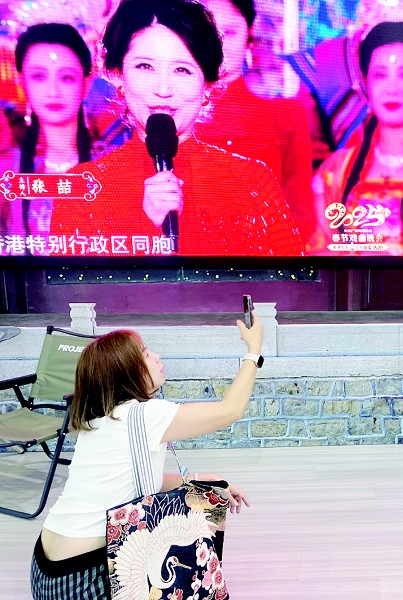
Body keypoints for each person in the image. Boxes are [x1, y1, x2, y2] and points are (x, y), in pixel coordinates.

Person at [30, 313, 263, 598]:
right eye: (146, 353)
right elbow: (230, 410)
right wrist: (253, 350)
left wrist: (207, 479)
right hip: (88, 578)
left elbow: (143, 480)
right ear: (127, 372)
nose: (157, 356)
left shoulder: (101, 419)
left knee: (208, 494)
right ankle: (202, 588)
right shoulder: (143, 415)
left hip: (46, 573)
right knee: (204, 508)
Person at [49, 0, 304, 257]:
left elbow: (296, 279)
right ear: (118, 75)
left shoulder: (254, 183)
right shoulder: (83, 190)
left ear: (208, 85)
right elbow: (72, 282)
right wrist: (148, 231)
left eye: (182, 70)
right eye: (145, 66)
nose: (163, 89)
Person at [310, 21, 403, 256]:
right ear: (366, 83)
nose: (392, 88)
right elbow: (318, 251)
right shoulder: (335, 171)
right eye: (380, 75)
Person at [196, 0, 316, 248]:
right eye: (207, 32)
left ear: (249, 36)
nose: (218, 44)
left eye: (229, 32)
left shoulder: (286, 116)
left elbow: (302, 218)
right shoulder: (163, 118)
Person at [1, 23, 93, 243]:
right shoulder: (6, 171)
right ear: (22, 83)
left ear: (85, 85)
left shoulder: (115, 165)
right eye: (38, 77)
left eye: (67, 78)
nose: (53, 92)